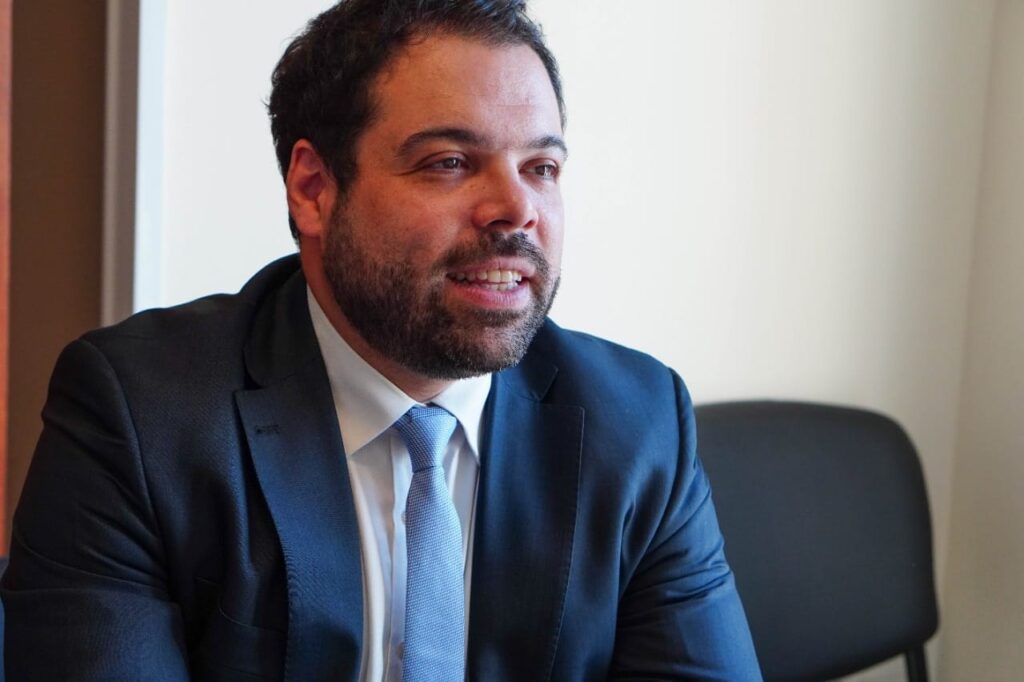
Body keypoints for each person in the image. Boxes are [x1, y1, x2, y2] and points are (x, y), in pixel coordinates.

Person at [2, 0, 761, 679]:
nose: (516, 208)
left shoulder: (639, 425)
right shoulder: (141, 414)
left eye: (542, 166)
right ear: (313, 188)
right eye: (449, 163)